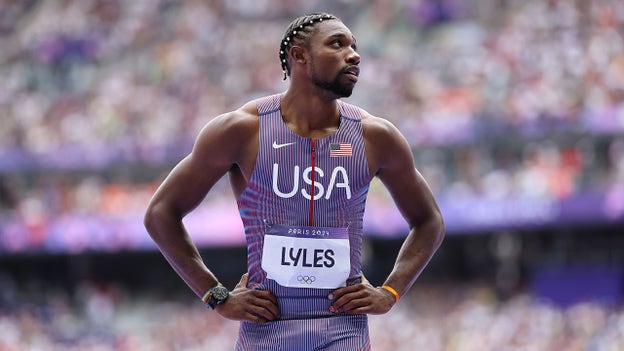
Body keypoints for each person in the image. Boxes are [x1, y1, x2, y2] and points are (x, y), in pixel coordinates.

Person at [144, 12, 445, 351]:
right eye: (337, 44)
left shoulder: (375, 137)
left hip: (343, 329)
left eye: (354, 46)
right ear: (299, 55)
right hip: (266, 329)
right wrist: (216, 295)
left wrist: (390, 292)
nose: (354, 54)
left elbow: (429, 220)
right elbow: (160, 213)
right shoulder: (242, 130)